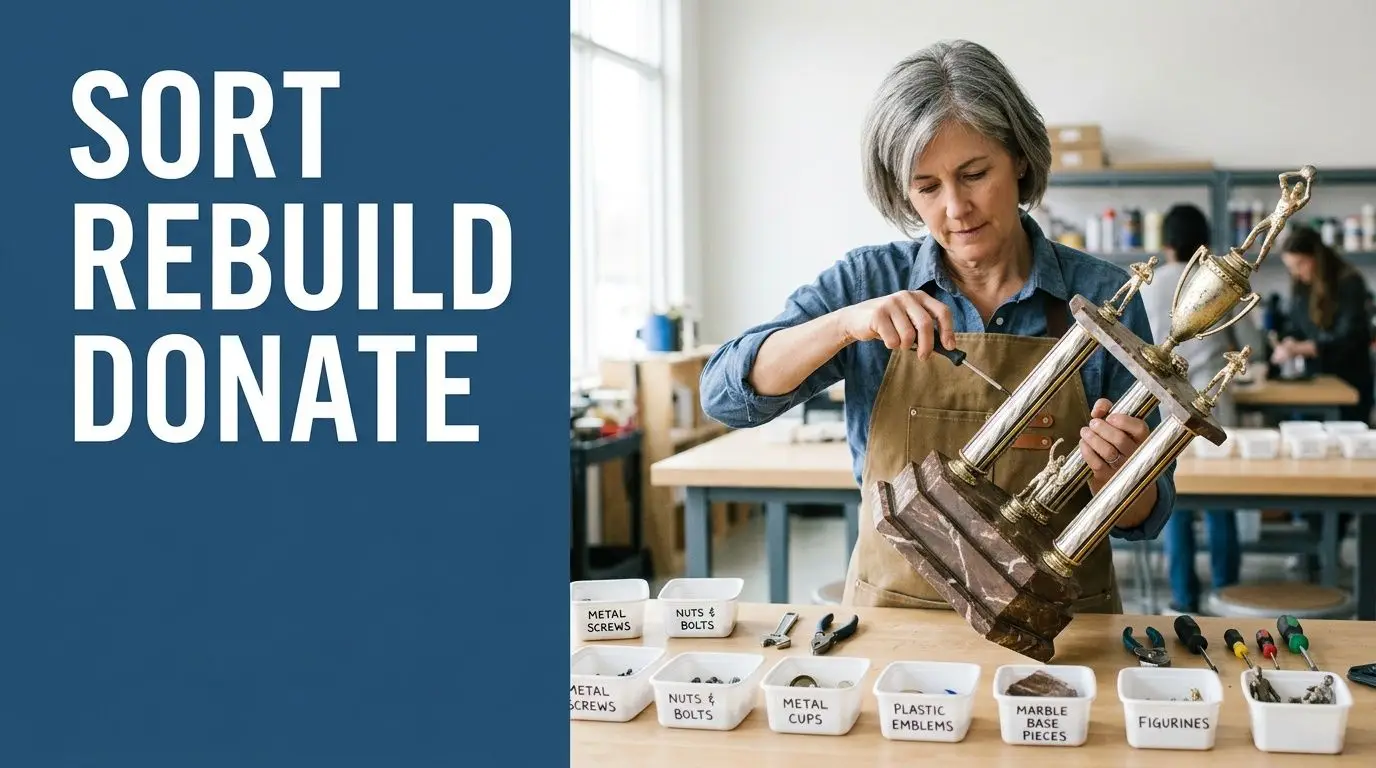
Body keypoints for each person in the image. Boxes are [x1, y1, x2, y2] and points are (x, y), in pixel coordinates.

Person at [698, 39, 1177, 613]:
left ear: (1019, 159)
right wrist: (845, 325)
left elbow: (1144, 518)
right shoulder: (865, 281)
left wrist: (1122, 481)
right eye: (927, 187)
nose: (955, 207)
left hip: (1058, 632)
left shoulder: (1106, 298)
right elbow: (725, 396)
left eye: (974, 174)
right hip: (897, 623)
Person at [1139, 204, 1255, 613]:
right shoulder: (1223, 283)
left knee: (1176, 502)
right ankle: (1227, 593)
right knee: (1221, 503)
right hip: (1214, 405)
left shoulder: (1151, 283)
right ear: (1205, 240)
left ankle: (1183, 600)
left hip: (1163, 408)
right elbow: (1248, 345)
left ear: (1166, 241)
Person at [1271, 226, 1375, 564]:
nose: (1297, 273)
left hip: (1348, 383)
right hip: (1313, 387)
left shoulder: (1349, 283)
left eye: (1300, 264)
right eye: (1291, 267)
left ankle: (1329, 547)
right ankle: (1312, 545)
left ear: (1316, 257)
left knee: (1339, 468)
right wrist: (1287, 341)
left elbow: (1353, 337)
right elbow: (1296, 325)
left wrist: (1306, 347)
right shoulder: (1301, 286)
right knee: (1306, 464)